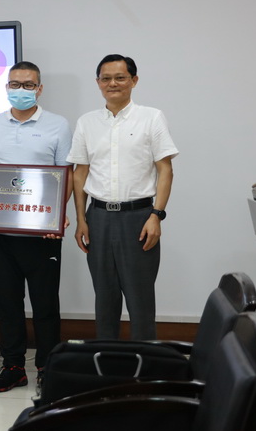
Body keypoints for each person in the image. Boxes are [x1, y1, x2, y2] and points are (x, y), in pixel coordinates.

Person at [0, 61, 72, 394]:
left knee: (45, 304)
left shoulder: (58, 125)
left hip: (42, 234)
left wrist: (57, 215)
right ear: (6, 87)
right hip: (0, 234)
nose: (21, 90)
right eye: (15, 84)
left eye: (28, 84)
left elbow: (66, 175)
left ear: (39, 89)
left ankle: (47, 367)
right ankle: (13, 367)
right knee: (7, 303)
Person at [68, 54, 177, 340]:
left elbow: (165, 170)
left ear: (134, 80)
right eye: (106, 78)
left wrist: (156, 215)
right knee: (104, 299)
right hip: (98, 217)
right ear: (98, 83)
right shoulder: (87, 122)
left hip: (139, 219)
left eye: (120, 77)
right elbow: (80, 174)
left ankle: (144, 361)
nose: (112, 84)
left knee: (141, 301)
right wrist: (80, 219)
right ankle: (107, 360)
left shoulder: (151, 117)